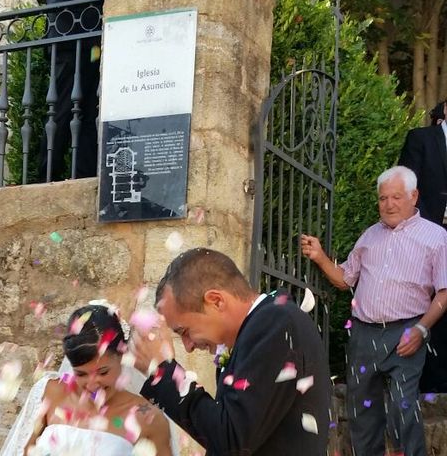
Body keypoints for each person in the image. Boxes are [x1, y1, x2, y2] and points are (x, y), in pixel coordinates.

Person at [301, 165, 447, 455]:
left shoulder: (437, 237)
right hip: (364, 335)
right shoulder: (369, 236)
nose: (389, 204)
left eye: (396, 197)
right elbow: (345, 279)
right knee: (361, 412)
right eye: (383, 198)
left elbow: (444, 291)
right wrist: (319, 257)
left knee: (402, 408)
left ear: (414, 196)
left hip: (407, 332)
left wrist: (421, 329)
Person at [129, 248, 331, 455]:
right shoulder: (268, 322)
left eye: (185, 331)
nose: (188, 346)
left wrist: (165, 374)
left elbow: (232, 439)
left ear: (216, 301)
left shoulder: (274, 323)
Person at [0, 302, 175, 455]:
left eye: (103, 372)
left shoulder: (148, 418)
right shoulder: (50, 392)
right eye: (81, 374)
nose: (91, 385)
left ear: (122, 357)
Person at [399, 102, 447, 392]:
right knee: (426, 304)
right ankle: (429, 383)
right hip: (426, 237)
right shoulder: (420, 139)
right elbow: (404, 188)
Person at [39, 0, 103, 181]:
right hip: (68, 31)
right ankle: (47, 176)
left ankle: (84, 174)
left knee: (91, 109)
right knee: (61, 109)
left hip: (94, 35)